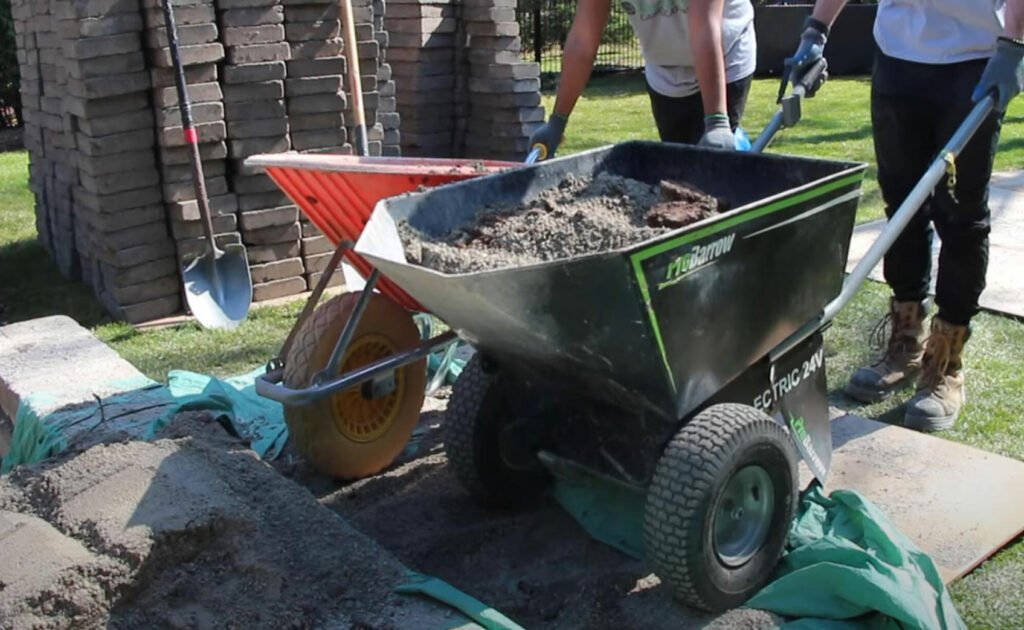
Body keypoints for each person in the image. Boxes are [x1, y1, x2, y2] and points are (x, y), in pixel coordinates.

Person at [787, 0, 1024, 431]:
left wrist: (1014, 42)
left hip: (973, 60)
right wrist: (816, 29)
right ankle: (907, 339)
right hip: (898, 59)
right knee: (901, 205)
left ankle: (947, 359)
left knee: (961, 215)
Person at [528, 0, 757, 158]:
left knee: (713, 166)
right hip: (665, 67)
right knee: (677, 169)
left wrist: (716, 121)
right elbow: (582, 42)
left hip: (724, 56)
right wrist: (557, 122)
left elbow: (704, 30)